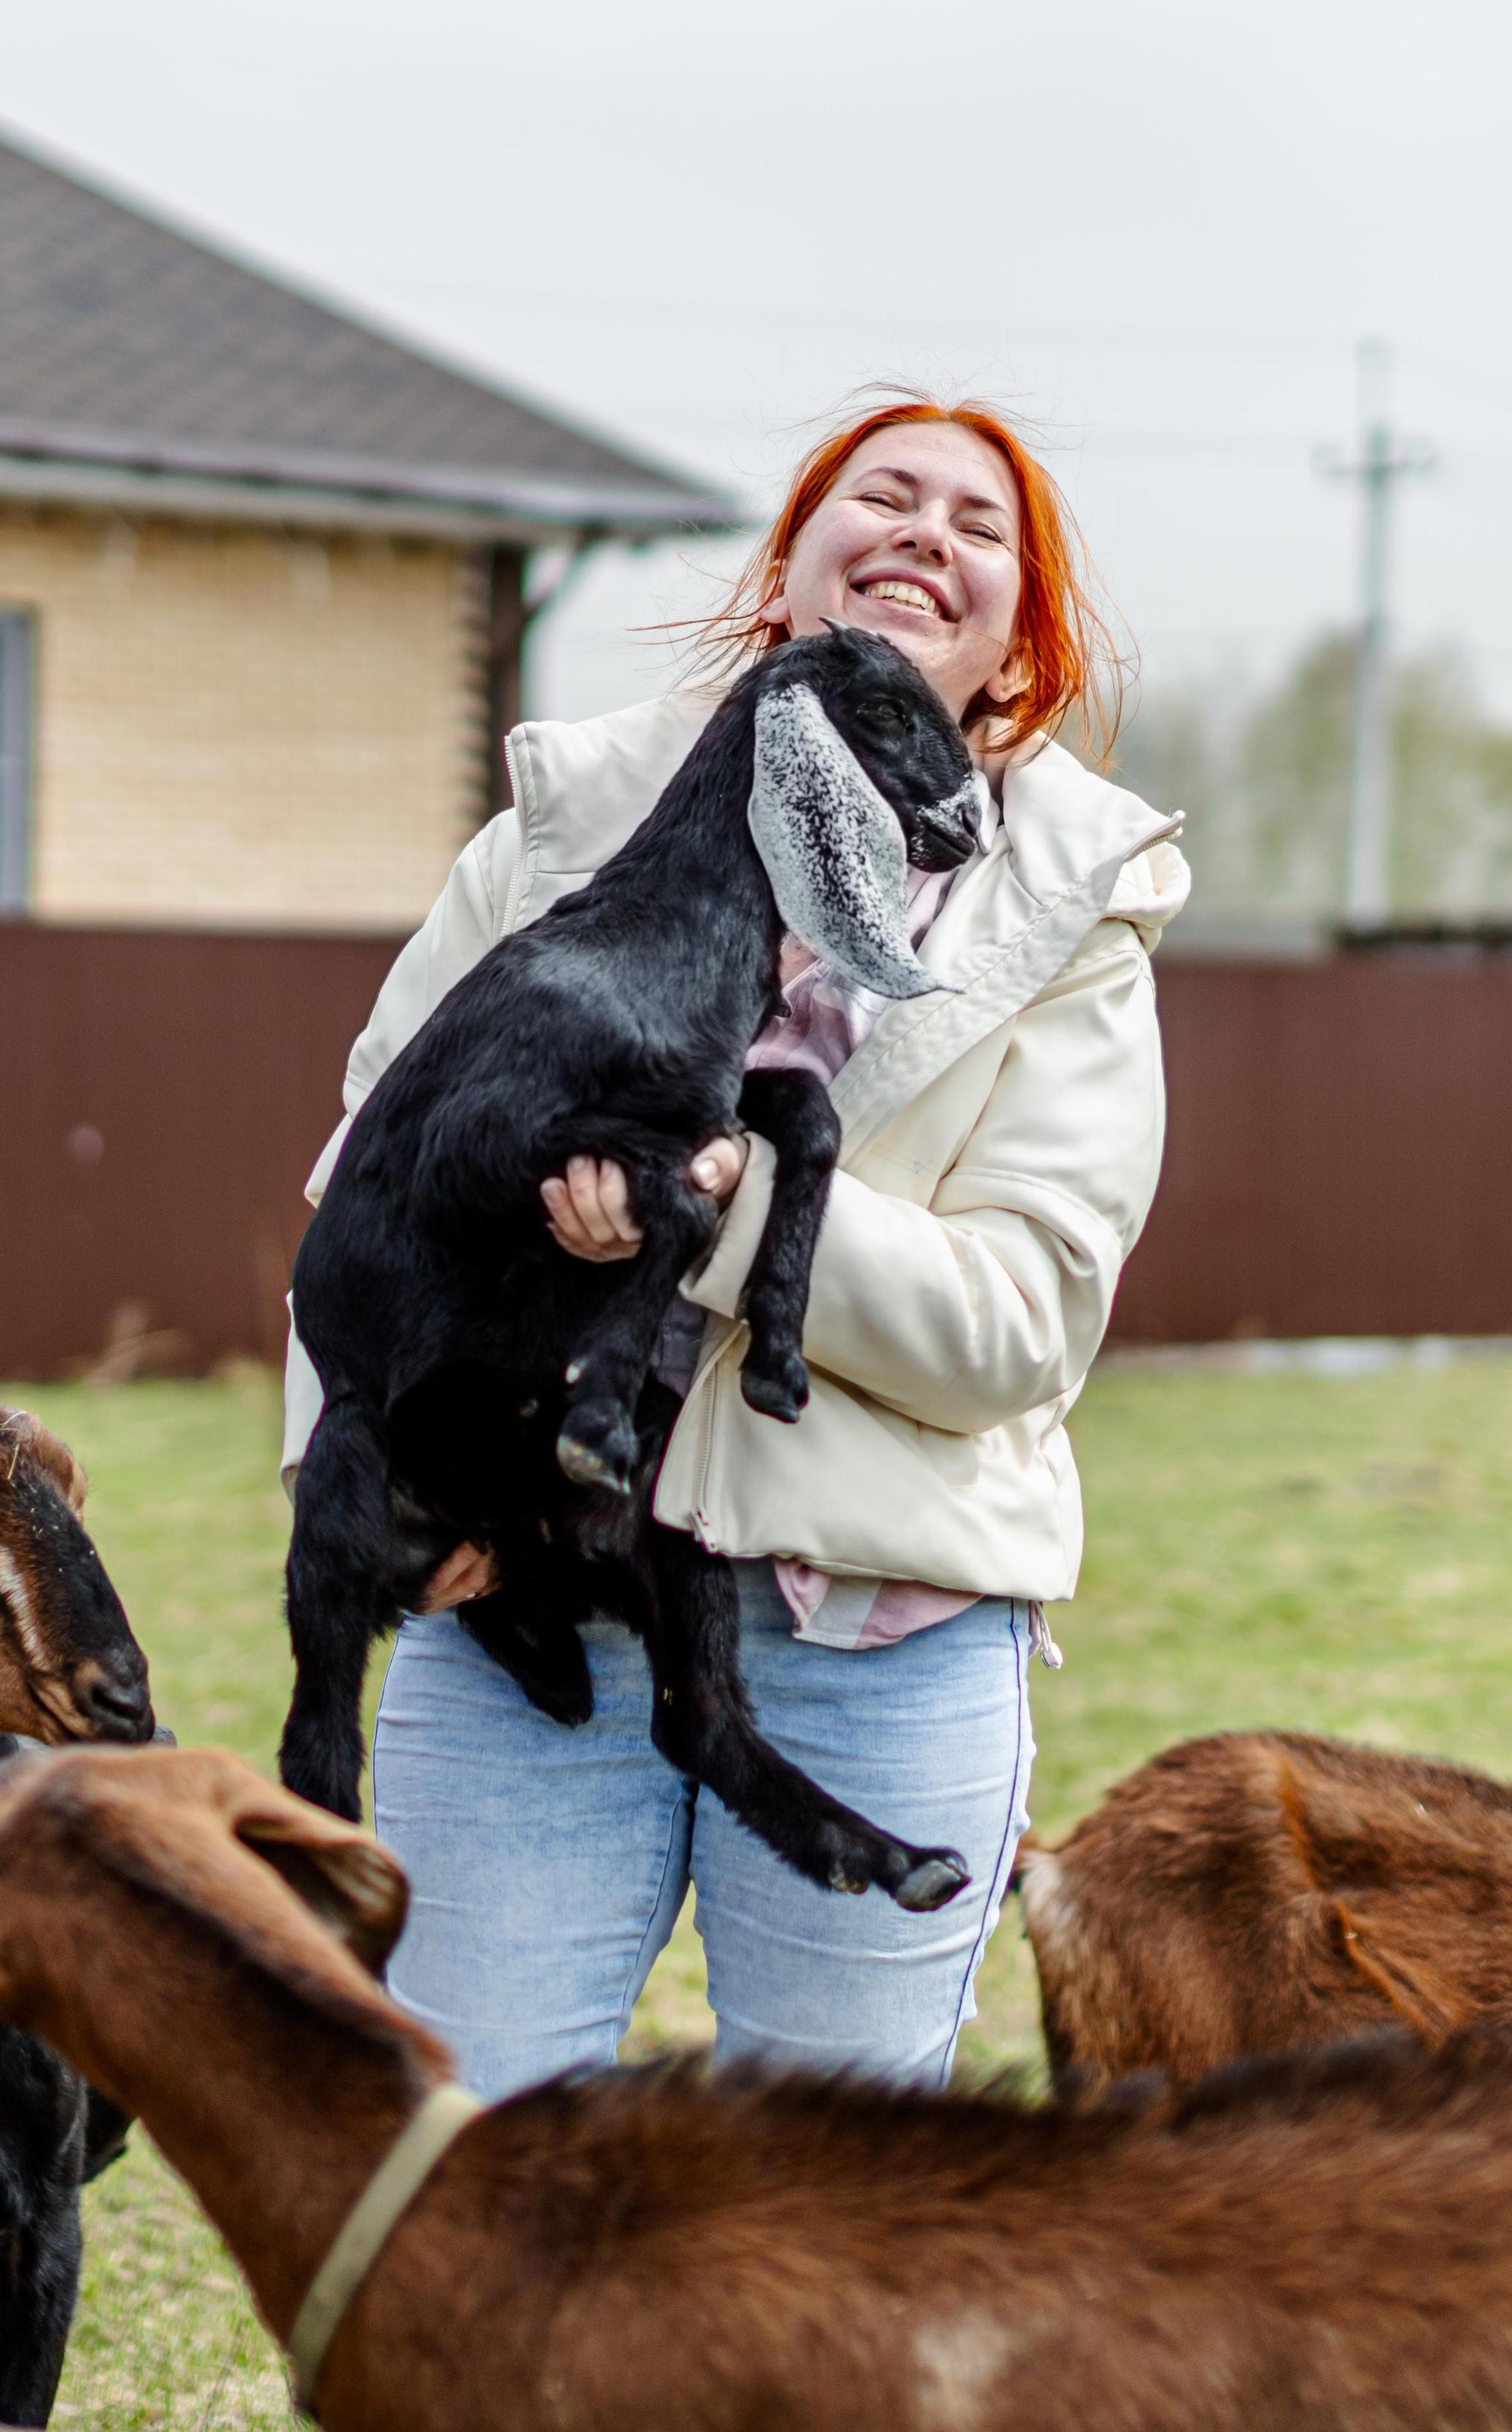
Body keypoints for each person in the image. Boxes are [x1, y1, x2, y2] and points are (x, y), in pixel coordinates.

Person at [279, 392, 1190, 2099]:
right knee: (457, 2156)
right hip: (522, 1610)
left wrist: (722, 1202)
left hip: (876, 1638)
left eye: (978, 525)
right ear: (788, 581)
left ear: (1015, 655)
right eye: (883, 497)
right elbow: (367, 1186)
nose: (926, 529)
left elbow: (1019, 1325)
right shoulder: (563, 824)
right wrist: (373, 1504)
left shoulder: (1080, 907)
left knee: (821, 2231)